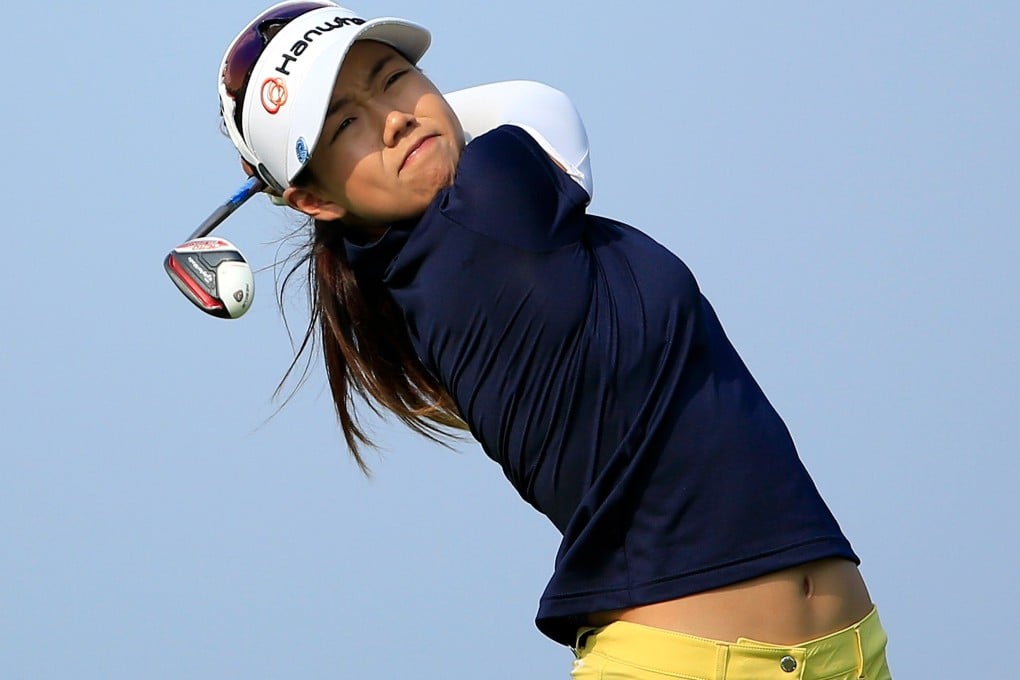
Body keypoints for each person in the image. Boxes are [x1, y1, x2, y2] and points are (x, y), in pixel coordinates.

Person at [214, 2, 893, 678]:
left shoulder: (412, 271)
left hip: (850, 654)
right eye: (345, 125)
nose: (394, 119)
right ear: (316, 202)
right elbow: (537, 105)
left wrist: (298, 167)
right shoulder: (491, 203)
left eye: (394, 79)